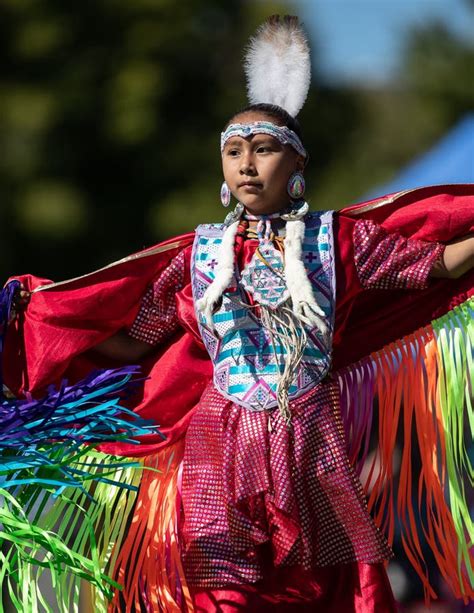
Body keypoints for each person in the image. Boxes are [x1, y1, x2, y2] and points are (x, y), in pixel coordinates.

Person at [4, 16, 474, 613]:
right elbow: (136, 342)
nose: (247, 164)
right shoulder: (199, 255)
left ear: (297, 168)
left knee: (326, 594)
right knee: (221, 594)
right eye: (233, 152)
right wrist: (47, 325)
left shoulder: (339, 243)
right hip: (216, 447)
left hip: (310, 444)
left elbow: (438, 267)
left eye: (264, 149)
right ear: (223, 173)